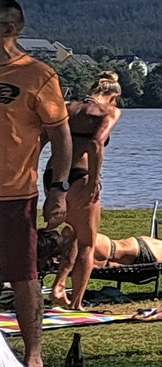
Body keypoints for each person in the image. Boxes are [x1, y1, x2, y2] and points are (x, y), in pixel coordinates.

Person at [0, 0, 73, 367]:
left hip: (15, 194)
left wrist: (58, 190)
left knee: (23, 275)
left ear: (8, 31)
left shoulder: (37, 75)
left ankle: (33, 356)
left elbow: (61, 138)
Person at [47, 72, 123, 310]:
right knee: (87, 242)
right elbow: (96, 143)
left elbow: (43, 137)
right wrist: (94, 180)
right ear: (113, 97)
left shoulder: (69, 107)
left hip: (54, 176)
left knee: (69, 232)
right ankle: (76, 303)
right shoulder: (109, 111)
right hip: (80, 175)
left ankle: (59, 287)